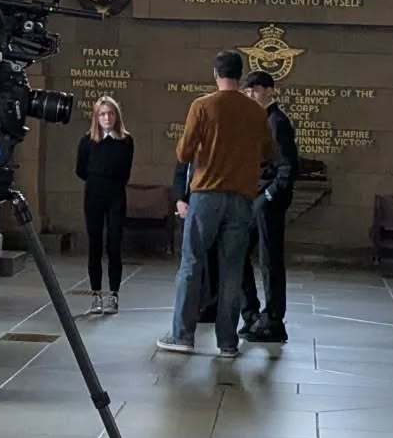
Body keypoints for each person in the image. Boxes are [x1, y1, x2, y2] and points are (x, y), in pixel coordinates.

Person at [158, 50, 274, 359]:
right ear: (240, 75)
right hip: (242, 198)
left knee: (192, 264)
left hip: (207, 195)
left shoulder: (203, 105)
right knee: (232, 270)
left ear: (215, 74)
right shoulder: (256, 112)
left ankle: (182, 335)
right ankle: (227, 342)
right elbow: (267, 152)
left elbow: (184, 153)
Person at [239, 70, 298, 343]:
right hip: (253, 198)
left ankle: (273, 320)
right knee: (238, 253)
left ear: (270, 91)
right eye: (248, 90)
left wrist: (269, 197)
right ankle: (251, 315)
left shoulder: (277, 121)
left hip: (267, 202)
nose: (251, 94)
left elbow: (287, 168)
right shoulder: (255, 120)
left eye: (256, 89)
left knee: (269, 261)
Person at [76, 97, 134, 315]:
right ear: (96, 117)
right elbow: (80, 169)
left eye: (110, 113)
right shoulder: (87, 141)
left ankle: (113, 295)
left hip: (116, 196)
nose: (107, 117)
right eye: (102, 114)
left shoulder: (126, 141)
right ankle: (96, 295)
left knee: (115, 244)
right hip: (94, 195)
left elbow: (125, 170)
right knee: (94, 244)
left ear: (116, 116)